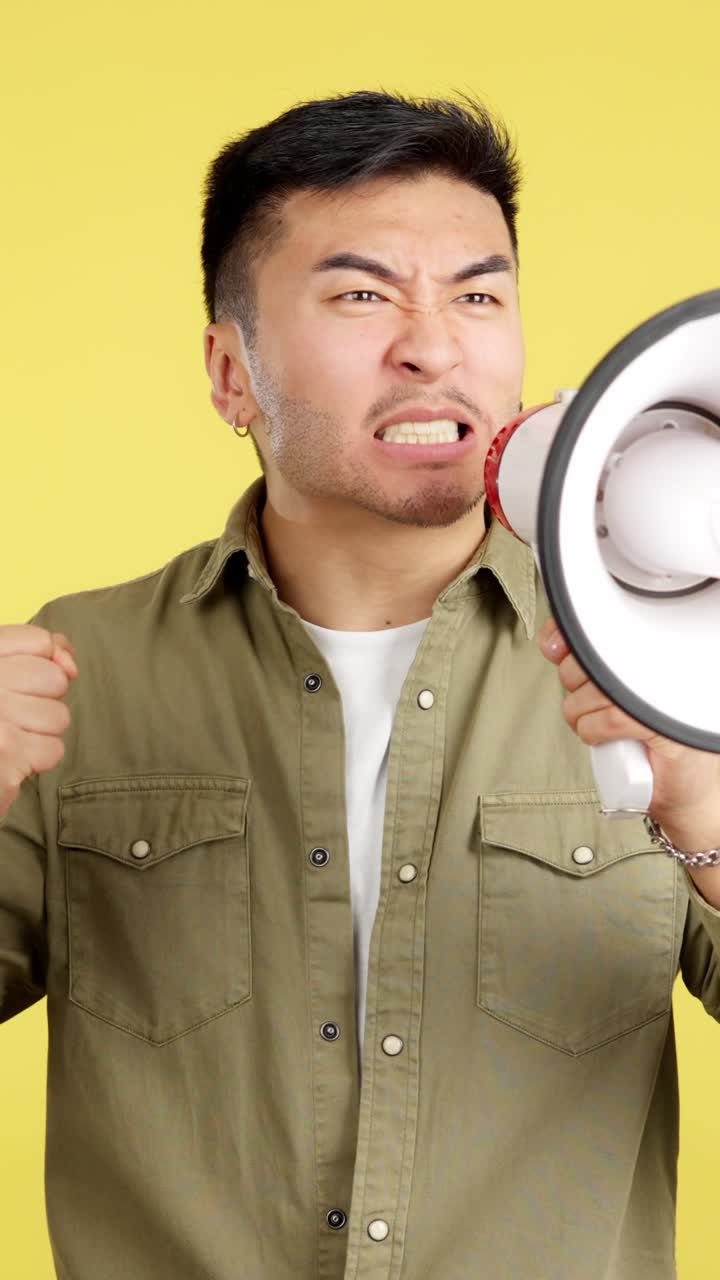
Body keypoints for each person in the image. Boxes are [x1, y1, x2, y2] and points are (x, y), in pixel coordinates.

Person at [1, 88, 720, 1280]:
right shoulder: (83, 674)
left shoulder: (679, 666)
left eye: (478, 294)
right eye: (361, 294)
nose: (433, 344)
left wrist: (707, 818)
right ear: (232, 373)